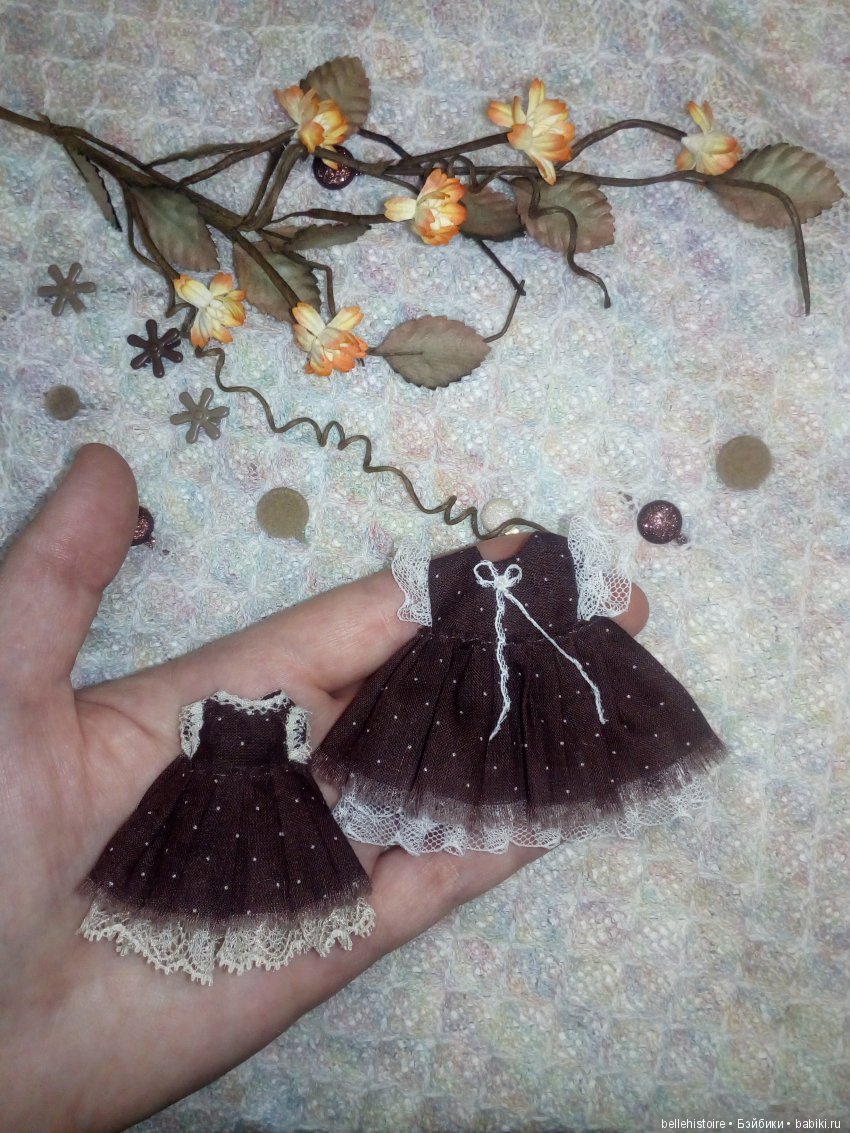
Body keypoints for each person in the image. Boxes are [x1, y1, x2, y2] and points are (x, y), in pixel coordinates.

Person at [0, 445, 648, 1132]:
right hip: (225, 801)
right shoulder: (240, 724)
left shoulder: (549, 582)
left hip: (487, 708)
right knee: (208, 883)